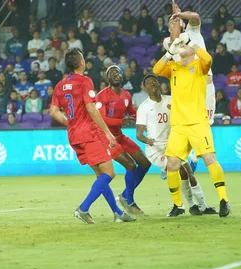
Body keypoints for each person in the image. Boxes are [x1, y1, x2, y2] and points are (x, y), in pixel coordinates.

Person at [50, 49, 135, 224]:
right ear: (81, 63)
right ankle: (83, 208)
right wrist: (107, 132)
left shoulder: (60, 85)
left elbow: (53, 112)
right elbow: (91, 108)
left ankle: (117, 213)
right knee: (109, 173)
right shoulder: (85, 81)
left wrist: (70, 123)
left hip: (74, 135)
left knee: (100, 175)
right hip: (88, 134)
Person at [154, 29, 230, 217]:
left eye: (183, 45)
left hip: (198, 123)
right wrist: (169, 52)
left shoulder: (199, 66)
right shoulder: (173, 68)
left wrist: (191, 43)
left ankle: (223, 200)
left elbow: (209, 60)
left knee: (209, 159)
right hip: (179, 126)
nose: (181, 46)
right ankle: (178, 205)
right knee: (172, 164)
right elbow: (156, 70)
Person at [136, 74, 217, 215]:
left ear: (159, 84)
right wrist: (147, 140)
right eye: (148, 83)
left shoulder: (171, 100)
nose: (152, 84)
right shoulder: (144, 108)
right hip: (156, 150)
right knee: (179, 170)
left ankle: (201, 206)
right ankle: (180, 205)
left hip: (173, 144)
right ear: (145, 88)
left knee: (188, 173)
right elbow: (139, 134)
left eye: (154, 81)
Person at [96, 65, 151, 214]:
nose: (116, 74)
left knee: (145, 163)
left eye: (118, 72)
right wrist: (120, 122)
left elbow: (132, 112)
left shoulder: (126, 95)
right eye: (112, 73)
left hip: (119, 135)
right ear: (107, 78)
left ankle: (125, 195)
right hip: (107, 137)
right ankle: (129, 201)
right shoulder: (102, 96)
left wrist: (144, 119)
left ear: (122, 77)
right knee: (130, 165)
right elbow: (100, 119)